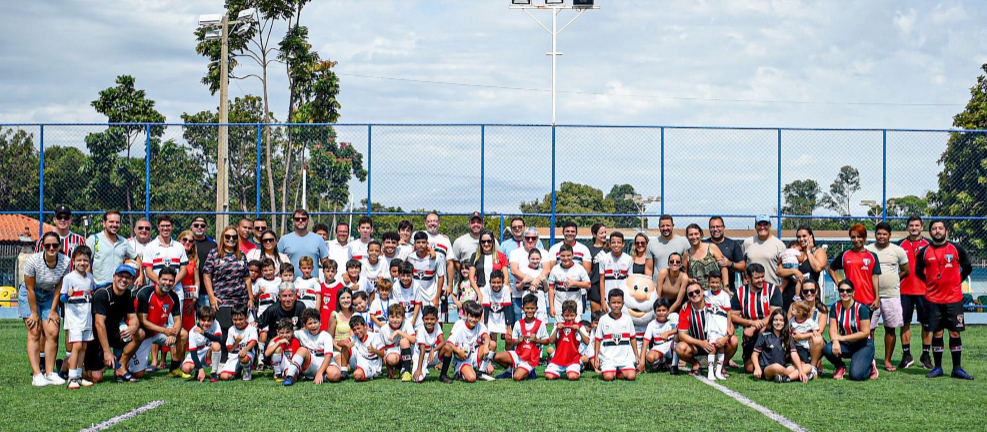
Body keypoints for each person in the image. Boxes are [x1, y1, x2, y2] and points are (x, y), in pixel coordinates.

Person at [915, 220, 974, 380]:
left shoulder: (956, 248)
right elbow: (918, 271)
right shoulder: (924, 251)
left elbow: (968, 267)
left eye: (940, 228)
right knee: (937, 332)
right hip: (933, 300)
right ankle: (938, 367)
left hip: (953, 299)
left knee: (955, 332)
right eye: (934, 228)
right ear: (930, 232)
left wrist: (957, 281)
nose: (937, 231)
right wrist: (930, 282)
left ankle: (957, 368)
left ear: (946, 231)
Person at [21, 231, 70, 387]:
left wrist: (54, 310)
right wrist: (34, 313)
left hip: (49, 295)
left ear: (59, 246)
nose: (51, 248)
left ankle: (49, 373)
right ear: (42, 246)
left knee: (53, 331)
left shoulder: (65, 261)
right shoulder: (33, 261)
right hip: (31, 295)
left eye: (54, 245)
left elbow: (59, 288)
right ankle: (37, 374)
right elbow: (29, 289)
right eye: (47, 245)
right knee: (34, 331)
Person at [85, 265, 144, 384]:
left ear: (132, 281)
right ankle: (70, 366)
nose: (124, 279)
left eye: (128, 277)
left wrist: (132, 328)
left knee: (140, 333)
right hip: (95, 336)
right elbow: (99, 324)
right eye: (120, 276)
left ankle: (120, 367)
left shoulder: (128, 294)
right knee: (97, 378)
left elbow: (134, 318)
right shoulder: (102, 294)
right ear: (114, 277)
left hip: (114, 333)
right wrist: (107, 352)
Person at [866, 222, 910, 372]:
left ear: (889, 235)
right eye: (879, 233)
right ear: (875, 234)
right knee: (868, 330)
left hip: (891, 296)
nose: (881, 236)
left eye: (885, 234)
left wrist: (893, 279)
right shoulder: (868, 250)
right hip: (871, 297)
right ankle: (869, 360)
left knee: (890, 329)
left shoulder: (898, 251)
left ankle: (887, 360)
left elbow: (906, 270)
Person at [203, 226, 253, 357]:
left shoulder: (241, 255)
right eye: (228, 237)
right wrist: (211, 296)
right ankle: (223, 359)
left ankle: (240, 359)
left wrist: (251, 298)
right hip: (221, 299)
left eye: (234, 237)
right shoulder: (214, 254)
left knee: (239, 329)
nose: (231, 239)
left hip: (240, 300)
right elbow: (206, 275)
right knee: (224, 330)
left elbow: (247, 278)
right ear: (222, 238)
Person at [131, 266, 188, 379]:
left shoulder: (173, 297)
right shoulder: (145, 293)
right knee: (138, 374)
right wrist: (165, 331)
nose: (167, 283)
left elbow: (177, 320)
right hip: (143, 335)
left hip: (157, 333)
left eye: (171, 280)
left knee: (183, 334)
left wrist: (173, 334)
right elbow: (143, 321)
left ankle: (174, 369)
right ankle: (128, 361)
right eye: (164, 279)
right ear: (158, 279)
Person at [728, 263, 782, 373]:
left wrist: (754, 327)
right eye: (757, 278)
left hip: (769, 332)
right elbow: (732, 316)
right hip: (750, 336)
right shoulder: (740, 292)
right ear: (748, 278)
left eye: (762, 276)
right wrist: (751, 322)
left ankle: (776, 358)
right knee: (749, 369)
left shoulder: (773, 290)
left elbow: (774, 314)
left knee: (763, 329)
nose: (761, 280)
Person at [56, 246, 96, 389]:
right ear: (74, 261)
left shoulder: (90, 278)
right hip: (74, 319)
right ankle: (71, 378)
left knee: (84, 346)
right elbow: (61, 299)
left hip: (86, 318)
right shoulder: (68, 278)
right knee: (77, 345)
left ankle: (79, 376)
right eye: (79, 260)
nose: (82, 263)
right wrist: (68, 295)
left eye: (85, 260)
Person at [823, 280, 877, 381]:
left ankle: (870, 366)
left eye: (848, 290)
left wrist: (841, 338)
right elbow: (833, 330)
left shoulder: (861, 308)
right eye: (842, 290)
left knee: (855, 375)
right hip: (846, 345)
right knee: (827, 348)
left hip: (863, 344)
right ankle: (840, 366)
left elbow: (865, 333)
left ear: (853, 292)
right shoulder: (835, 307)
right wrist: (835, 341)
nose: (845, 293)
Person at [898, 215, 933, 369]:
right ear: (907, 227)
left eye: (917, 225)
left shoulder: (930, 245)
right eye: (911, 225)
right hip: (904, 290)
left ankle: (925, 356)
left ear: (922, 227)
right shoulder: (899, 245)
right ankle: (907, 355)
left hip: (924, 291)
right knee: (904, 323)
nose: (914, 228)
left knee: (926, 325)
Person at [492, 294, 548, 381]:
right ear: (523, 309)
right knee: (495, 357)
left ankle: (531, 370)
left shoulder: (540, 324)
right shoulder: (519, 323)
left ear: (536, 309)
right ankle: (509, 371)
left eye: (532, 308)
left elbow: (547, 341)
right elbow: (513, 342)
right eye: (527, 308)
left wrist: (537, 340)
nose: (529, 311)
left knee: (517, 377)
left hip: (530, 359)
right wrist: (519, 340)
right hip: (518, 355)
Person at [828, 224, 882, 312]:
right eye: (853, 237)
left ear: (864, 238)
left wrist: (877, 298)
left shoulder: (872, 256)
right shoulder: (845, 255)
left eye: (859, 236)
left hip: (868, 300)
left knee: (866, 326)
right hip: (849, 299)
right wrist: (839, 284)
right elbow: (831, 269)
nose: (856, 240)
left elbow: (875, 278)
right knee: (849, 325)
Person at [437, 300, 491, 384]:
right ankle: (460, 372)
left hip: (473, 354)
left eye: (477, 317)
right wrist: (459, 351)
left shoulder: (479, 326)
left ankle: (481, 372)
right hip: (461, 359)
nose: (474, 319)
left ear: (480, 318)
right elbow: (449, 344)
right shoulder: (460, 327)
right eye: (471, 316)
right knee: (471, 378)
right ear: (466, 315)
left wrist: (486, 346)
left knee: (492, 344)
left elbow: (486, 337)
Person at [752, 309, 813, 383]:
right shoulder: (764, 336)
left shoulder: (788, 337)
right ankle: (796, 376)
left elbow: (794, 354)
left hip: (783, 367)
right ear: (771, 321)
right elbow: (754, 355)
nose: (778, 322)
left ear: (785, 322)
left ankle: (786, 378)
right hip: (768, 369)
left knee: (808, 367)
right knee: (776, 366)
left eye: (781, 320)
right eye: (775, 320)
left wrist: (801, 370)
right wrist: (757, 368)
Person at [86, 210, 141, 289]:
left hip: (118, 287)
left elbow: (136, 257)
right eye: (111, 222)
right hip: (99, 286)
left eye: (117, 222)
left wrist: (141, 276)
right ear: (104, 223)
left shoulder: (123, 241)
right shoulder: (94, 239)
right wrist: (87, 282)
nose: (114, 225)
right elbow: (86, 261)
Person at [778, 226, 829, 310]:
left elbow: (818, 267)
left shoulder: (817, 251)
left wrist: (809, 251)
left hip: (809, 295)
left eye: (804, 236)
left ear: (811, 237)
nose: (801, 239)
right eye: (799, 237)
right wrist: (794, 271)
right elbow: (779, 271)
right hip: (790, 295)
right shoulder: (792, 252)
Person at [594, 289, 640, 381]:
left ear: (623, 303)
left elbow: (633, 338)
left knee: (631, 377)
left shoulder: (627, 319)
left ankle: (619, 370)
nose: (616, 305)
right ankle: (613, 370)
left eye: (619, 302)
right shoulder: (603, 319)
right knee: (608, 377)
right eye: (613, 302)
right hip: (608, 358)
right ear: (608, 303)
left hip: (624, 358)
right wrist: (596, 357)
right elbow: (598, 339)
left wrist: (636, 355)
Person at [287, 308, 341, 385]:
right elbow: (287, 334)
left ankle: (320, 376)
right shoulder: (301, 333)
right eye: (310, 323)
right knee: (302, 350)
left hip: (325, 363)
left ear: (320, 323)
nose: (313, 326)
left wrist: (319, 373)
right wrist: (277, 340)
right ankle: (289, 376)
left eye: (315, 322)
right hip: (310, 364)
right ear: (305, 325)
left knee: (335, 374)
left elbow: (328, 357)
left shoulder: (326, 336)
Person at [141, 215, 189, 300]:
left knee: (177, 314)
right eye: (162, 226)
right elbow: (148, 272)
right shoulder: (150, 247)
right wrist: (163, 285)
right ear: (158, 227)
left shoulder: (179, 246)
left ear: (172, 227)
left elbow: (183, 270)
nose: (165, 228)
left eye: (168, 226)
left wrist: (171, 284)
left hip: (176, 292)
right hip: (156, 292)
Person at [256, 283, 306, 360]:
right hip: (277, 341)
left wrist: (290, 335)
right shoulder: (272, 309)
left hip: (294, 340)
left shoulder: (300, 306)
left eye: (290, 295)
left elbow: (305, 327)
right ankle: (263, 361)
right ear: (279, 297)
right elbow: (258, 323)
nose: (288, 299)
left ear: (295, 295)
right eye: (284, 296)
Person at [545, 300, 591, 381]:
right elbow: (551, 341)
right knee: (549, 376)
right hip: (559, 358)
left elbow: (587, 342)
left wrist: (579, 330)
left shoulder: (580, 326)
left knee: (572, 377)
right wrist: (556, 330)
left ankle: (577, 366)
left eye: (572, 315)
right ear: (562, 315)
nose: (569, 318)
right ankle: (552, 362)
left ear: (576, 315)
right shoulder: (558, 326)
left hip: (573, 359)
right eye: (566, 316)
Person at [278, 209, 330, 278]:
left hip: (312, 284)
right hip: (291, 284)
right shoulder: (284, 240)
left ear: (308, 221)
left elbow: (325, 262)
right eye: (297, 219)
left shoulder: (318, 239)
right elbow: (277, 261)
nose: (300, 221)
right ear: (293, 221)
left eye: (303, 219)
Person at [469, 231, 509, 319]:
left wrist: (502, 291)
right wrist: (479, 294)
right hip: (482, 290)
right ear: (480, 243)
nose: (486, 244)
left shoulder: (501, 256)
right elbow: (471, 278)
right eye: (483, 241)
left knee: (497, 320)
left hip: (498, 291)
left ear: (493, 242)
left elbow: (506, 276)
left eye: (489, 241)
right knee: (483, 320)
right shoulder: (475, 256)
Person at [547, 244, 591, 323]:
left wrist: (575, 283)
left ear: (573, 255)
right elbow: (551, 288)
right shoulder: (555, 269)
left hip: (576, 305)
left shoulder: (579, 268)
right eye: (563, 256)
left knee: (575, 329)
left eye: (568, 255)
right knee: (560, 330)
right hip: (559, 305)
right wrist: (551, 306)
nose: (566, 258)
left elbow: (588, 285)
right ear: (559, 256)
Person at [704, 273, 735, 380]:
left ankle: (718, 371)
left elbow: (728, 312)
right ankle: (710, 371)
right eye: (712, 282)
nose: (715, 285)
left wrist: (729, 326)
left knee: (721, 347)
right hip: (712, 322)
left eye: (717, 282)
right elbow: (695, 296)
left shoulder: (724, 295)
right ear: (708, 283)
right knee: (712, 347)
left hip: (722, 323)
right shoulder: (706, 294)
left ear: (721, 282)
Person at [180, 306, 223, 382]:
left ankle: (214, 373)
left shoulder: (216, 323)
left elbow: (219, 339)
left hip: (208, 353)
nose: (206, 323)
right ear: (198, 319)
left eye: (209, 320)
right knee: (186, 368)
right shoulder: (192, 332)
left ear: (213, 320)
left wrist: (203, 333)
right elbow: (193, 353)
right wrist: (200, 368)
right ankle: (197, 370)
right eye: (203, 320)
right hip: (197, 354)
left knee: (216, 345)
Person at [683, 224, 729, 293]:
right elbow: (684, 275)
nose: (694, 237)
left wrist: (726, 286)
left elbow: (723, 267)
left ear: (701, 234)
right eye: (691, 235)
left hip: (715, 291)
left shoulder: (712, 247)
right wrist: (690, 280)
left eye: (696, 234)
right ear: (687, 237)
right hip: (697, 294)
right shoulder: (687, 254)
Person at [742, 214, 785, 287]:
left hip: (772, 287)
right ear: (755, 227)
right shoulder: (747, 243)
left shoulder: (779, 245)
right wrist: (744, 278)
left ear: (770, 226)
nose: (762, 227)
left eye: (765, 224)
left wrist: (781, 289)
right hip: (752, 288)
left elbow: (784, 269)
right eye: (759, 224)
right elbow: (742, 263)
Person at [339, 315, 385, 382]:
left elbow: (383, 354)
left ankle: (370, 375)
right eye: (354, 330)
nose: (357, 331)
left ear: (365, 326)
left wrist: (374, 350)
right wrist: (347, 344)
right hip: (360, 360)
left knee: (357, 375)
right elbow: (339, 343)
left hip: (372, 363)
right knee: (345, 346)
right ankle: (344, 372)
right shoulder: (354, 337)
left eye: (358, 328)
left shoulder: (374, 337)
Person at [407, 231, 446, 309]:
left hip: (431, 297)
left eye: (423, 242)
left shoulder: (437, 258)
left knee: (432, 321)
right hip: (415, 297)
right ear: (414, 243)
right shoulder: (410, 257)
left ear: (427, 243)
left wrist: (437, 297)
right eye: (418, 242)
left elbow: (441, 277)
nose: (421, 244)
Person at [219, 304, 258, 381]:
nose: (238, 322)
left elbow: (253, 342)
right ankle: (236, 373)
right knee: (224, 376)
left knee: (243, 358)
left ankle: (247, 371)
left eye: (241, 319)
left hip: (247, 353)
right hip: (233, 356)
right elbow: (229, 349)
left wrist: (244, 350)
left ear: (246, 317)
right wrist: (236, 342)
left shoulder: (251, 328)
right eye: (235, 319)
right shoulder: (231, 330)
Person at [378, 303, 417, 381]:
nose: (395, 320)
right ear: (387, 317)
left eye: (398, 317)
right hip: (392, 353)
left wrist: (398, 332)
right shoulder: (383, 329)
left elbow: (413, 340)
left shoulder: (407, 324)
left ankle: (407, 371)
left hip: (407, 350)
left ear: (403, 318)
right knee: (391, 359)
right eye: (392, 317)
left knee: (404, 341)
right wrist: (388, 368)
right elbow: (382, 350)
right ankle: (397, 369)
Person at [645, 215, 690, 281]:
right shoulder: (652, 243)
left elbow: (687, 266)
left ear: (673, 225)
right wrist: (649, 284)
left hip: (678, 287)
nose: (665, 228)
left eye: (668, 225)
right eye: (662, 226)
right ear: (659, 227)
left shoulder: (683, 242)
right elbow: (649, 268)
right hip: (657, 286)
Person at [708, 216, 745, 292]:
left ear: (724, 227)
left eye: (718, 226)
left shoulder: (733, 245)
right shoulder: (704, 244)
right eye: (712, 227)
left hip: (728, 289)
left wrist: (730, 264)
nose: (715, 229)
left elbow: (743, 266)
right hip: (708, 289)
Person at [640, 297, 678, 372]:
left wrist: (667, 333)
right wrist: (642, 363)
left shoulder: (674, 317)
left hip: (671, 346)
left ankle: (671, 361)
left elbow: (681, 329)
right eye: (658, 310)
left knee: (679, 339)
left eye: (664, 310)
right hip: (659, 347)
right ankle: (662, 361)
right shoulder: (652, 324)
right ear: (655, 312)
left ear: (668, 311)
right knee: (650, 358)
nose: (661, 313)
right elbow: (645, 343)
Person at [598, 232, 631, 313]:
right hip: (608, 300)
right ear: (609, 244)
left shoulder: (628, 259)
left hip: (623, 300)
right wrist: (603, 300)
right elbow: (602, 281)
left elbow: (629, 281)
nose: (616, 245)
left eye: (619, 242)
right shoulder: (603, 259)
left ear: (623, 244)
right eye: (613, 242)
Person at [789, 301, 823, 378]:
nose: (791, 311)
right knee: (795, 361)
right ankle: (800, 371)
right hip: (794, 345)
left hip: (803, 346)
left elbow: (816, 329)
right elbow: (788, 330)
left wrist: (814, 331)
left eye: (793, 309)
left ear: (799, 312)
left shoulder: (809, 322)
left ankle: (806, 371)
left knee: (802, 362)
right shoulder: (792, 321)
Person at [412, 306, 445, 383]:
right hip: (420, 356)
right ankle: (423, 369)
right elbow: (422, 351)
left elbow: (443, 342)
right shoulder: (421, 330)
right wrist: (418, 369)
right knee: (417, 379)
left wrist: (433, 350)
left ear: (437, 319)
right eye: (426, 319)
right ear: (422, 319)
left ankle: (443, 374)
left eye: (432, 319)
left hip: (431, 355)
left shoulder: (437, 326)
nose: (429, 322)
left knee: (448, 348)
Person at [265, 318, 303, 383]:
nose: (285, 335)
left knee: (292, 376)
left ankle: (288, 375)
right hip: (280, 365)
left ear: (292, 332)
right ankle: (277, 374)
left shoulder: (296, 342)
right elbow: (266, 353)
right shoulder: (276, 341)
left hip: (291, 365)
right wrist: (279, 342)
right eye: (282, 333)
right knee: (278, 349)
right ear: (277, 332)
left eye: (288, 332)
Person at [189, 217, 216, 306]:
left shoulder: (213, 245)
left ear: (206, 228)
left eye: (202, 226)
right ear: (191, 227)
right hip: (189, 291)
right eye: (196, 225)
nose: (199, 227)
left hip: (206, 292)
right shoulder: (187, 243)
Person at [514, 249, 547, 322]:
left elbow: (546, 289)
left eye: (537, 259)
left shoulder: (542, 271)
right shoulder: (522, 270)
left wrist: (544, 282)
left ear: (541, 259)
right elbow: (518, 288)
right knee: (527, 327)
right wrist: (524, 282)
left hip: (540, 305)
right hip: (527, 305)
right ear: (528, 258)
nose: (535, 261)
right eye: (532, 259)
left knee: (541, 328)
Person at [586, 223, 609, 313]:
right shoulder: (589, 250)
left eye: (605, 232)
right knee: (596, 315)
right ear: (594, 235)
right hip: (594, 285)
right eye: (601, 233)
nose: (604, 235)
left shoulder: (609, 249)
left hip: (607, 283)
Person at [317, 260, 343, 331]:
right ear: (323, 271)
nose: (330, 274)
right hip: (322, 320)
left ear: (336, 272)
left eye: (332, 271)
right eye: (327, 271)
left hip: (335, 321)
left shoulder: (340, 286)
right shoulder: (320, 286)